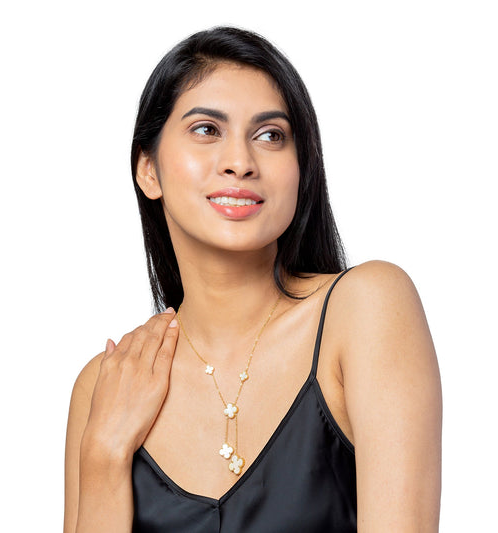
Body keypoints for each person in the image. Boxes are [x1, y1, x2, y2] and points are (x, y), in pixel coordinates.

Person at [64, 26, 442, 533]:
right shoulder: (103, 384)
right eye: (206, 130)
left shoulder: (365, 309)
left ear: (301, 169)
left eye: (270, 136)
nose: (240, 163)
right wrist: (104, 454)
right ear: (148, 170)